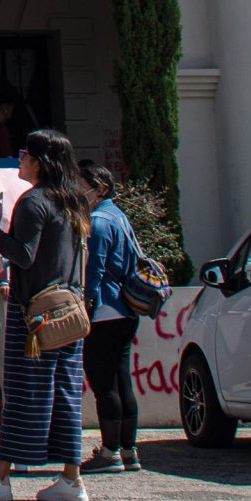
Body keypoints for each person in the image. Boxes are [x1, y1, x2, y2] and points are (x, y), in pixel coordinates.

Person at [0, 128, 94, 501]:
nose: (20, 159)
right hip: (69, 310)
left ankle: (0, 475)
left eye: (25, 153)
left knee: (25, 394)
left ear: (39, 161)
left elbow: (23, 255)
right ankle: (71, 478)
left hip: (34, 313)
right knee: (66, 394)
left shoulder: (32, 201)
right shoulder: (73, 201)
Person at [78, 161, 149, 474]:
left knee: (104, 382)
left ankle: (109, 452)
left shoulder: (98, 221)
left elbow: (94, 269)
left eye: (81, 185)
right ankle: (128, 449)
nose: (76, 191)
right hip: (126, 310)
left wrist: (85, 304)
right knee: (122, 380)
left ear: (99, 188)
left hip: (104, 311)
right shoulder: (119, 217)